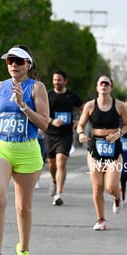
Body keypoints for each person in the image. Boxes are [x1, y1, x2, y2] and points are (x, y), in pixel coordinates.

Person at [0, 45, 49, 255]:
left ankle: (24, 254)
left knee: (23, 208)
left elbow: (44, 123)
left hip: (27, 149)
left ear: (28, 64)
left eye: (18, 61)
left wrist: (23, 105)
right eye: (10, 60)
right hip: (1, 146)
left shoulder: (37, 87)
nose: (13, 64)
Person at [76, 75, 127, 231]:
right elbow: (80, 125)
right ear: (97, 87)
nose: (104, 85)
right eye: (101, 83)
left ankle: (117, 197)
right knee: (97, 186)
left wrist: (119, 133)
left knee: (111, 186)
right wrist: (80, 134)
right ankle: (101, 220)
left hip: (114, 147)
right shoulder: (90, 106)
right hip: (96, 146)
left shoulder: (119, 106)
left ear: (111, 87)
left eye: (107, 83)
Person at [44, 70, 83, 206]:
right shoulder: (48, 96)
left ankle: (59, 193)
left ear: (65, 81)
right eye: (54, 80)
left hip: (65, 135)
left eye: (59, 80)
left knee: (61, 161)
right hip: (50, 134)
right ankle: (54, 181)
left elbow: (84, 108)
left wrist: (79, 121)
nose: (56, 82)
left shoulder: (71, 96)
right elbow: (41, 113)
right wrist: (51, 120)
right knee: (51, 164)